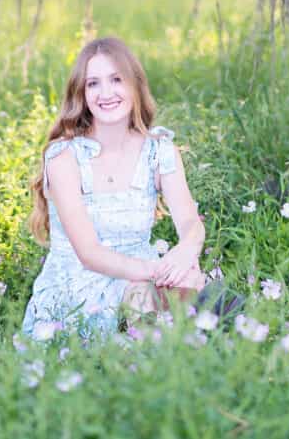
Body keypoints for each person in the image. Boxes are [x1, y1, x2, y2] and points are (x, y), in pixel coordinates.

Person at [20, 36, 209, 340]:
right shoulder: (64, 158)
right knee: (147, 296)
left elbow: (189, 222)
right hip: (81, 284)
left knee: (189, 277)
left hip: (140, 274)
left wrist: (186, 250)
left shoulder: (157, 151)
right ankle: (144, 352)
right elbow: (89, 254)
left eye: (116, 80)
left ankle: (185, 338)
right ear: (81, 93)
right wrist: (157, 271)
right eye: (93, 83)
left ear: (135, 85)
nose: (105, 93)